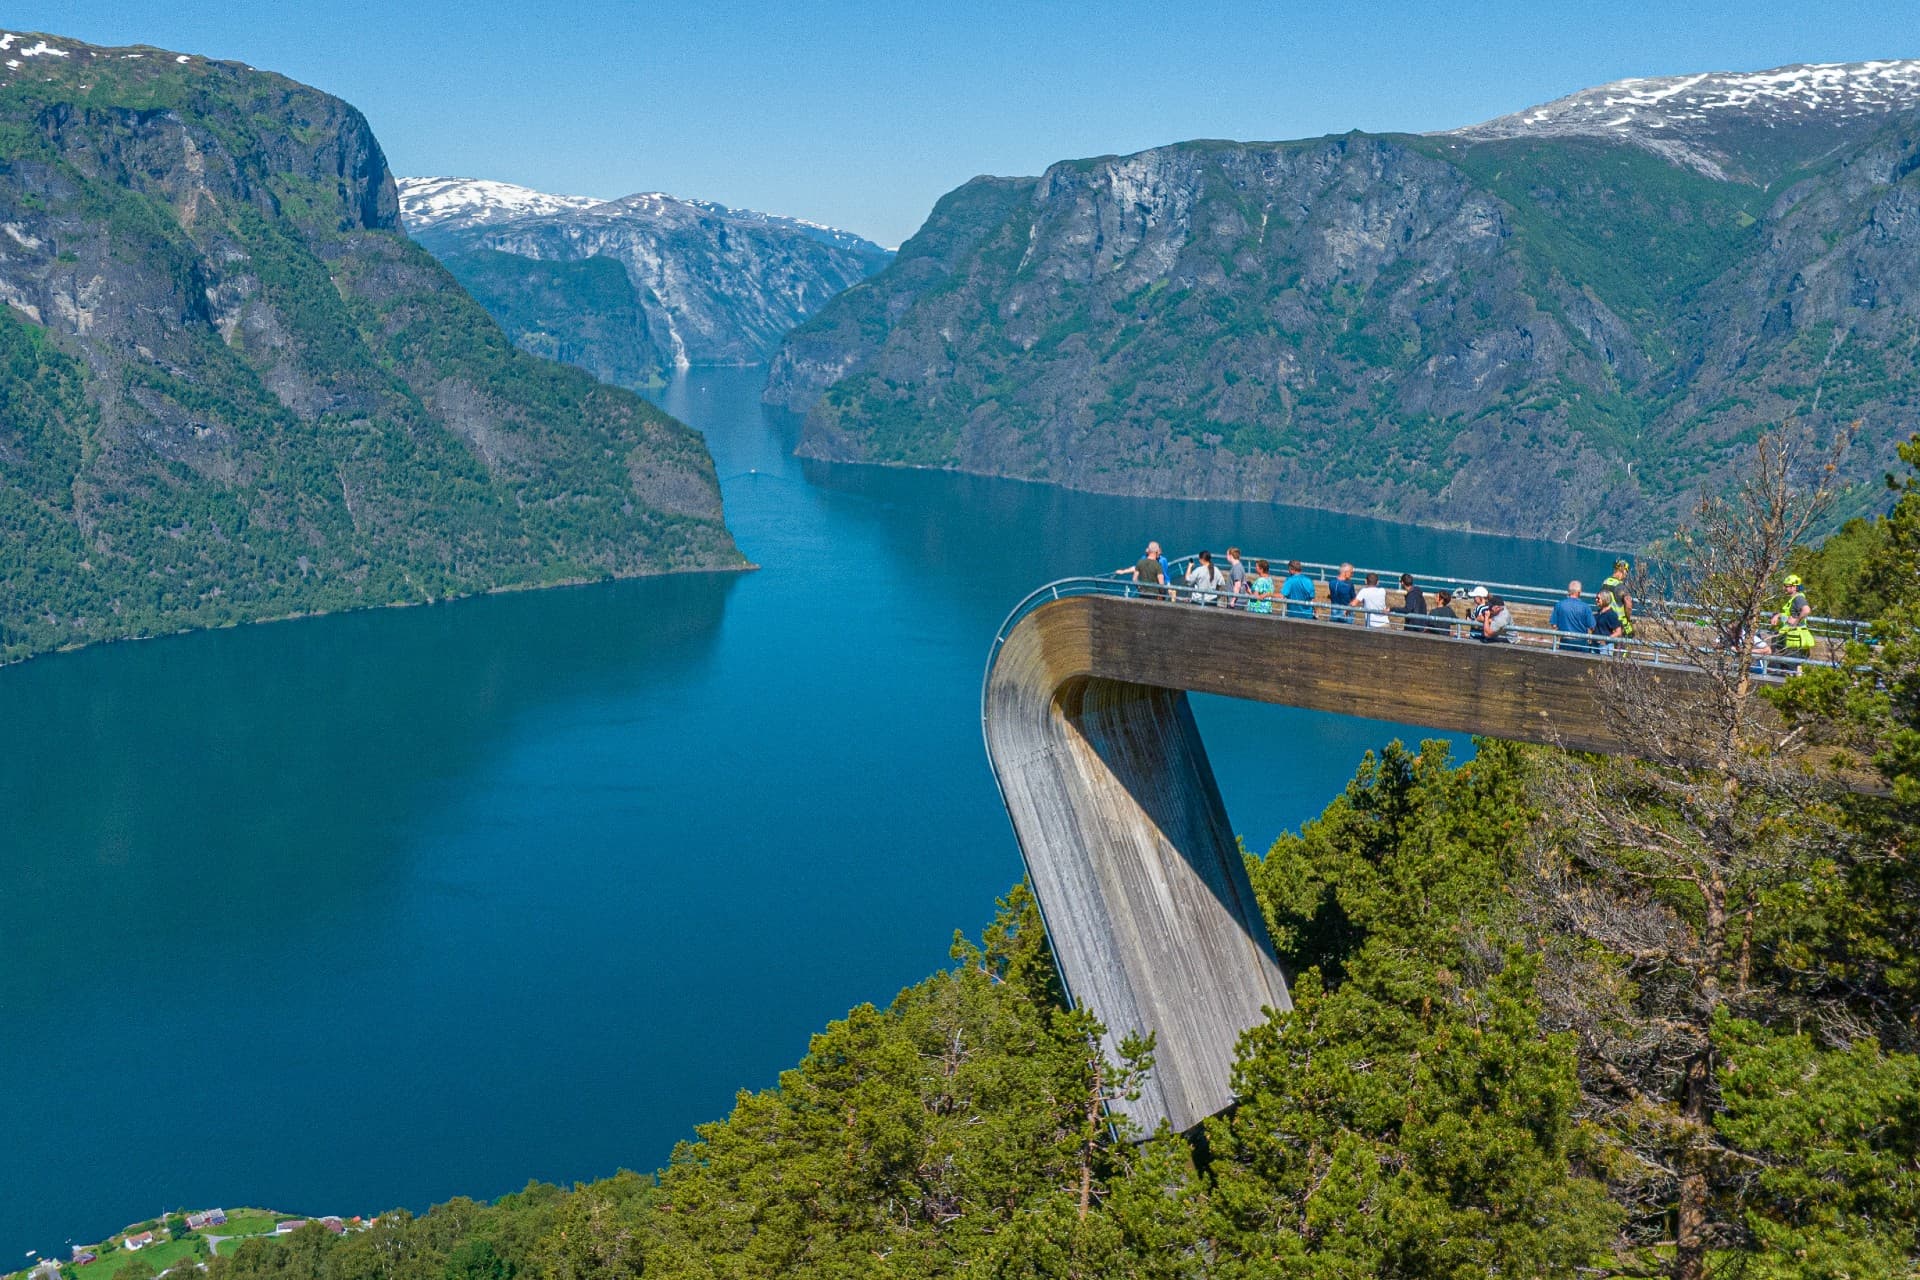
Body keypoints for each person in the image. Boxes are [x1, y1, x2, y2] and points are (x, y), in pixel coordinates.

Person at [1771, 573, 1816, 666]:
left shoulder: (1798, 598)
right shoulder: (1793, 599)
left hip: (1795, 640)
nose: (1784, 588)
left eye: (1786, 586)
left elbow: (1806, 610)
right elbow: (1789, 615)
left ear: (1794, 587)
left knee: (1791, 666)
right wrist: (1778, 615)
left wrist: (1796, 621)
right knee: (1785, 665)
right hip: (1790, 638)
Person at [1549, 580, 1597, 651]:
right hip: (1582, 642)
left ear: (1568, 591)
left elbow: (1554, 625)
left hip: (1565, 641)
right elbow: (1592, 627)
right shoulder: (1585, 607)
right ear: (1579, 592)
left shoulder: (1559, 605)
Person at [1601, 559, 1635, 638]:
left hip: (1606, 619)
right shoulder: (1621, 586)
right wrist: (1628, 619)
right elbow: (1628, 605)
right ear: (1622, 570)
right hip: (1619, 621)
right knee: (1622, 645)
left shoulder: (1605, 582)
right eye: (1626, 572)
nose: (1626, 575)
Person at [1592, 589, 1624, 656]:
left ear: (1605, 599)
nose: (1596, 600)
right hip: (1595, 644)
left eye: (1598, 598)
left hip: (1605, 647)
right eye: (1596, 598)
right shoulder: (1599, 612)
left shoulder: (1611, 614)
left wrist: (1605, 640)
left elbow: (1618, 632)